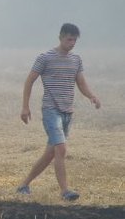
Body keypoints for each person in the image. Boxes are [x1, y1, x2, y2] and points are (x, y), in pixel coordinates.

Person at [16, 22, 101, 200]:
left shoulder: (76, 59)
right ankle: (65, 191)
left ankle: (24, 185)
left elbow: (81, 83)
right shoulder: (45, 57)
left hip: (67, 112)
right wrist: (25, 106)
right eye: (69, 39)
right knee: (61, 149)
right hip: (51, 109)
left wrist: (91, 96)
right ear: (61, 37)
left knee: (50, 154)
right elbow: (29, 81)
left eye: (74, 40)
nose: (72, 43)